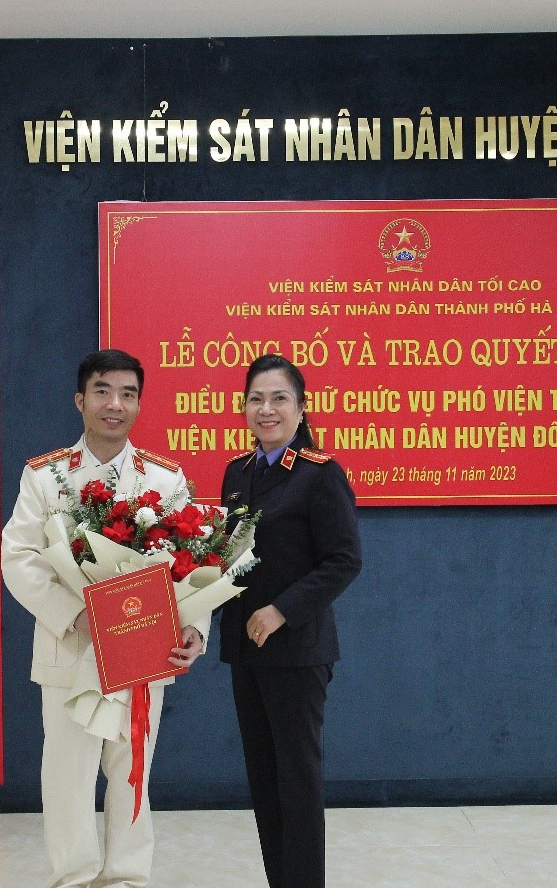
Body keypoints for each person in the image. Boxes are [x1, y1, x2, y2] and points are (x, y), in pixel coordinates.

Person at [1, 348, 208, 888]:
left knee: (132, 770)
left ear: (138, 404)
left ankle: (127, 878)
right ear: (80, 400)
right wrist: (75, 616)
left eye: (128, 394)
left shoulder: (165, 478)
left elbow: (192, 563)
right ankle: (72, 877)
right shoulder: (45, 476)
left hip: (143, 649)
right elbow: (19, 558)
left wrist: (194, 627)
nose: (115, 404)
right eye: (102, 391)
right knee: (67, 776)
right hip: (72, 647)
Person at [219, 353, 362, 888]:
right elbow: (230, 558)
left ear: (301, 408)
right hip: (246, 649)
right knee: (264, 782)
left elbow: (344, 560)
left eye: (279, 398)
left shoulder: (319, 475)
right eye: (256, 399)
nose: (267, 409)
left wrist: (282, 610)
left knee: (297, 785)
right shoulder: (238, 472)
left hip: (298, 651)